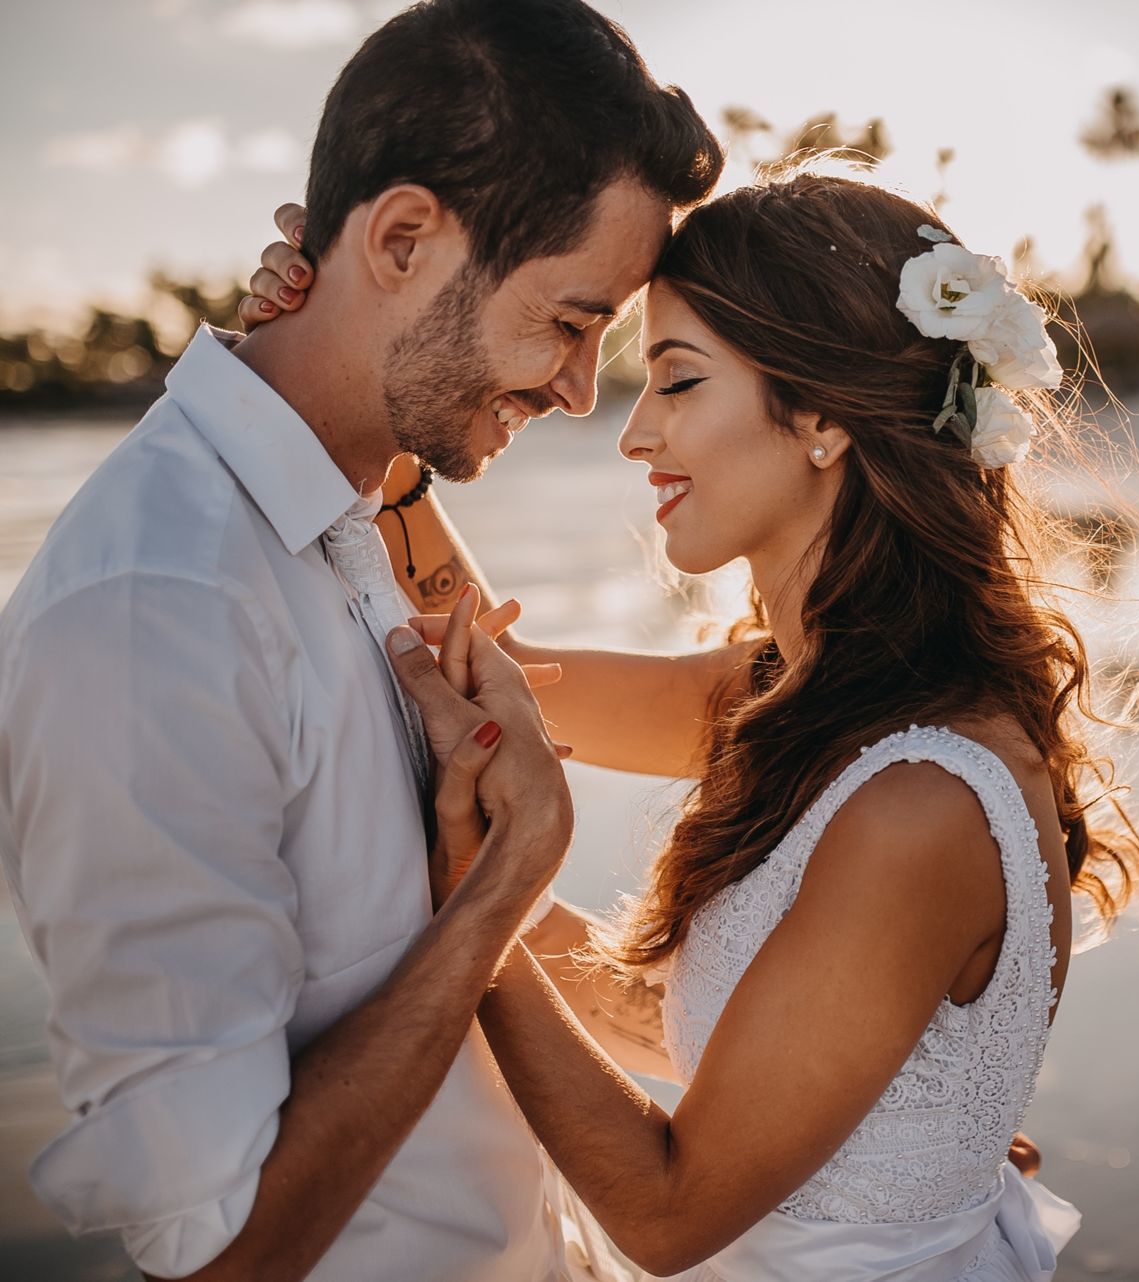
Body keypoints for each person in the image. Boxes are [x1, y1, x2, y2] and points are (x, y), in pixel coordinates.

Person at [243, 170, 1139, 1280]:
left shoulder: (919, 804)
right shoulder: (803, 695)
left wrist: (475, 901)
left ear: (823, 416)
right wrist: (358, 361)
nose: (635, 434)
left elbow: (668, 1213)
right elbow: (476, 674)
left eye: (678, 381)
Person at [0, 1, 722, 1278]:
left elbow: (408, 935)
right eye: (570, 322)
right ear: (401, 239)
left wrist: (843, 1101)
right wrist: (502, 887)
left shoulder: (346, 518)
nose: (579, 392)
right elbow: (219, 1253)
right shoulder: (154, 613)